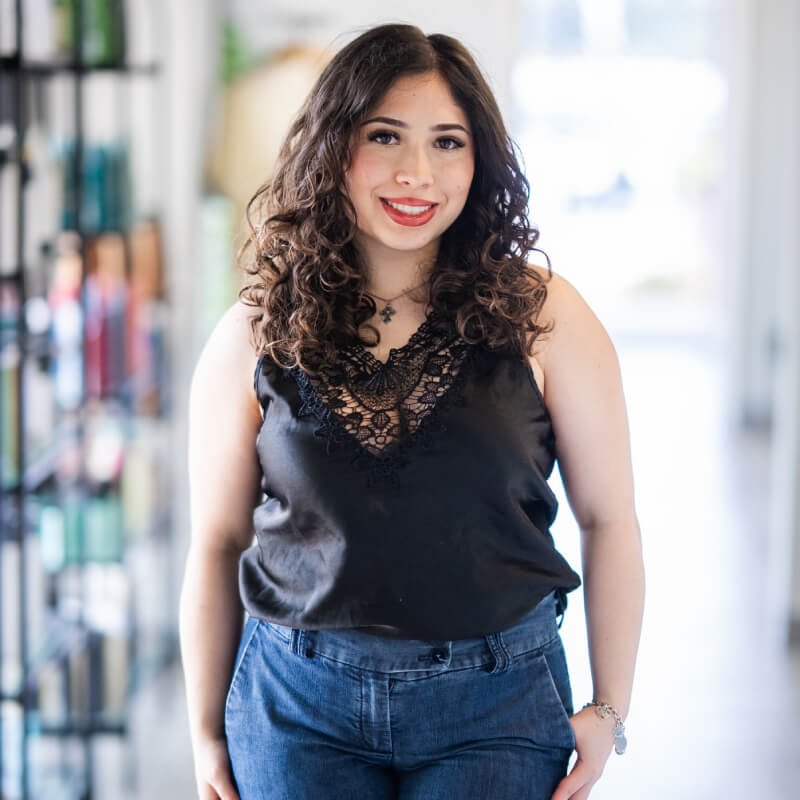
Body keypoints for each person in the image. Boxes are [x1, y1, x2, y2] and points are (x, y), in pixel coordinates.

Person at [180, 23, 645, 800]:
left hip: (496, 704)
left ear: (480, 159)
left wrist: (609, 707)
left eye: (448, 142)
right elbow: (217, 541)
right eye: (385, 136)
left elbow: (611, 519)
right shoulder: (256, 329)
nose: (416, 173)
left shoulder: (546, 316)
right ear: (333, 148)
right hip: (295, 706)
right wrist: (202, 732)